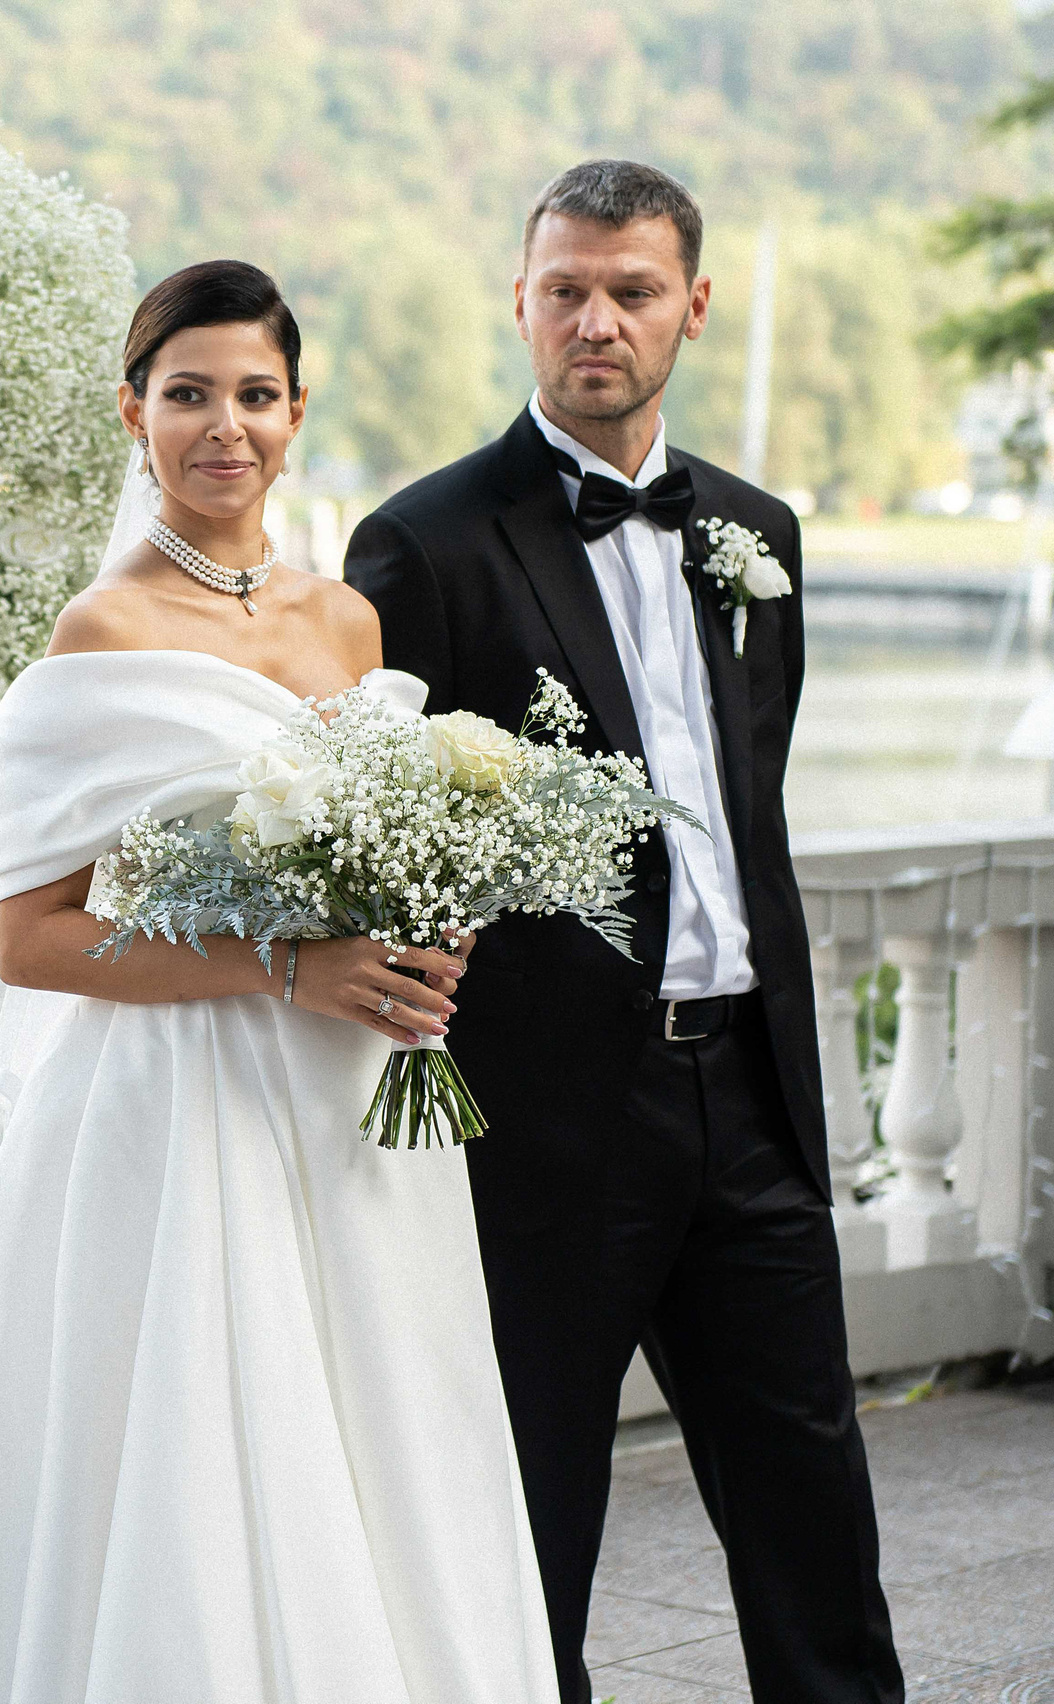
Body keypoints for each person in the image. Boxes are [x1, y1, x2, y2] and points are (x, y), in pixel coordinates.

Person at [0, 261, 559, 1704]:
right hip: (177, 1107)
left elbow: (368, 850)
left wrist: (420, 928)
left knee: (380, 1427)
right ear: (134, 412)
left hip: (345, 1098)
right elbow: (32, 938)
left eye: (257, 396)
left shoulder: (346, 623)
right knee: (198, 1440)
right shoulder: (96, 635)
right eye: (189, 395)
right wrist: (286, 964)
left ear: (296, 414)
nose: (227, 426)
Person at [345, 161, 905, 1704]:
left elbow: (747, 811)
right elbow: (390, 844)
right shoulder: (423, 547)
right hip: (550, 1126)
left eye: (632, 290)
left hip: (753, 1107)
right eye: (567, 290)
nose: (597, 321)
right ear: (518, 303)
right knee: (529, 1532)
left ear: (693, 309)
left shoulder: (758, 536)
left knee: (813, 1519)